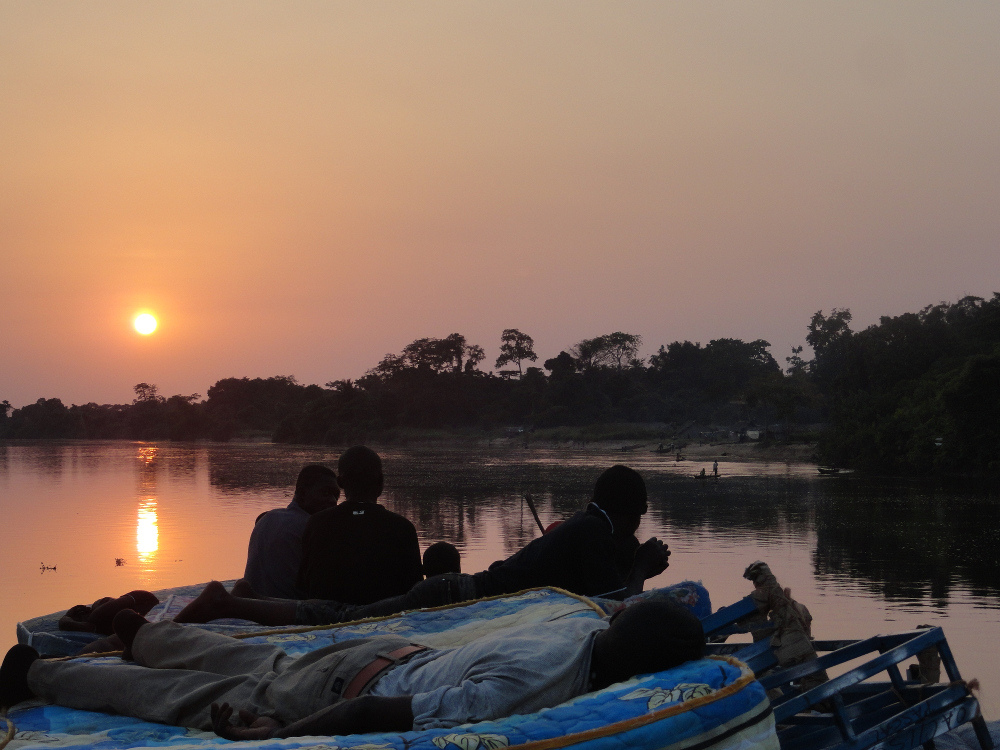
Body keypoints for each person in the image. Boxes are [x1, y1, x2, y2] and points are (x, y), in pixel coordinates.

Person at [1, 600, 705, 737]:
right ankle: (34, 674)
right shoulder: (536, 688)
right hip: (354, 687)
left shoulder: (574, 626)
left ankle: (141, 634)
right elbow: (371, 718)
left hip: (379, 657)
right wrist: (278, 735)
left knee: (257, 658)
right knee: (202, 696)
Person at [172, 465, 670, 627]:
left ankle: (239, 601)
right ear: (633, 514)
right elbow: (616, 605)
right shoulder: (589, 533)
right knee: (344, 617)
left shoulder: (588, 530)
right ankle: (227, 604)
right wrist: (643, 569)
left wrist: (631, 560)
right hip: (457, 596)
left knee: (345, 611)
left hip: (459, 589)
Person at [296, 447, 423, 604]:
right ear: (381, 482)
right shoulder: (403, 528)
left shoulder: (316, 524)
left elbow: (304, 585)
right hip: (386, 623)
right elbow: (415, 592)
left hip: (330, 624)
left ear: (340, 482)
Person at [243, 465, 339, 598]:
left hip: (251, 603)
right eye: (326, 493)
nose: (333, 501)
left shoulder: (266, 517)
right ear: (303, 493)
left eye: (336, 495)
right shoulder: (314, 528)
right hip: (285, 609)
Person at [58, 590, 160, 635]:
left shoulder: (97, 618)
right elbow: (66, 624)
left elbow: (65, 624)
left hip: (140, 602)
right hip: (140, 603)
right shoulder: (97, 618)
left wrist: (68, 615)